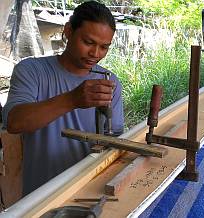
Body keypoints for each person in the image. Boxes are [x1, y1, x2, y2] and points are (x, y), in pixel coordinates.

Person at [2, 1, 124, 196]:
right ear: (68, 31)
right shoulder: (32, 71)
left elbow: (115, 139)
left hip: (91, 192)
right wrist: (72, 100)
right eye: (88, 42)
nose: (95, 54)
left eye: (104, 47)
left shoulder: (108, 82)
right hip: (41, 197)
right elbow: (14, 122)